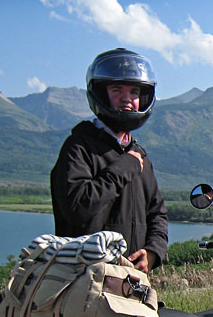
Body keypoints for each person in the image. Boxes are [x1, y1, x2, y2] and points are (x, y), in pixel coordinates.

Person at [51, 47, 167, 274]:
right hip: (85, 281)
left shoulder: (139, 155)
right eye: (117, 90)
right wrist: (124, 167)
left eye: (134, 92)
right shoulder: (79, 147)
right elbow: (77, 209)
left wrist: (153, 252)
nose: (127, 99)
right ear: (101, 95)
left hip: (132, 281)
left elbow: (157, 213)